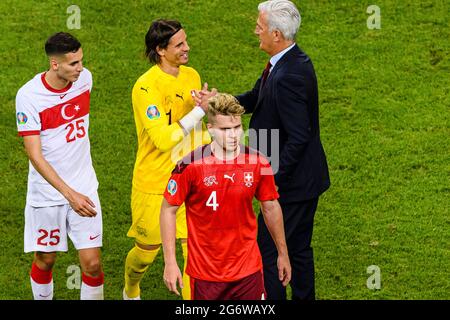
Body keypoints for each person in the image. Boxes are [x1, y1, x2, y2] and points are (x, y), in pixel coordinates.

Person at [238, 0, 331, 300]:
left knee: (268, 251)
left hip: (291, 186)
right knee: (299, 249)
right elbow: (255, 98)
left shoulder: (288, 73)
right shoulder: (285, 62)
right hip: (305, 181)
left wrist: (273, 180)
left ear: (276, 34)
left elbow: (299, 136)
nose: (255, 30)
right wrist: (217, 103)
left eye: (260, 26)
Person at [160, 93, 291, 300]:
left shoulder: (258, 162)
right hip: (206, 274)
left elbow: (271, 206)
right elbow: (168, 208)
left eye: (237, 128)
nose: (233, 135)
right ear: (210, 130)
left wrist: (282, 254)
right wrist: (170, 261)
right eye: (225, 129)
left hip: (248, 271)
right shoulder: (190, 166)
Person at [123, 19, 211, 300]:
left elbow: (199, 132)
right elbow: (162, 139)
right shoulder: (145, 88)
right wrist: (199, 112)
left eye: (186, 41)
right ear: (161, 50)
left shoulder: (192, 75)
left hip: (190, 178)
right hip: (155, 182)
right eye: (180, 44)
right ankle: (131, 288)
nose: (188, 47)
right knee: (145, 255)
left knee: (193, 251)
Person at [15, 32, 104, 300]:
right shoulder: (29, 96)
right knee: (46, 259)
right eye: (73, 64)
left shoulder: (84, 80)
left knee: (93, 264)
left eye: (81, 61)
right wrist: (69, 194)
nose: (81, 68)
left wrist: (78, 192)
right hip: (47, 194)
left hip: (84, 186)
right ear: (55, 64)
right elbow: (35, 155)